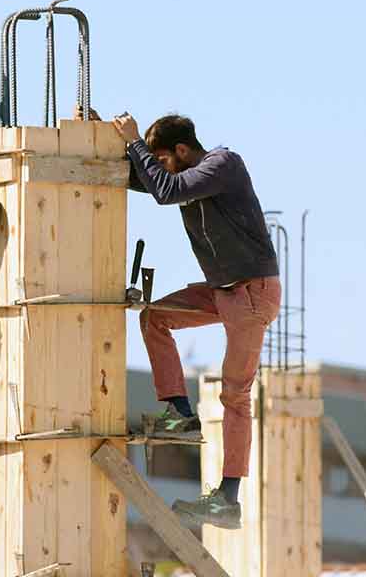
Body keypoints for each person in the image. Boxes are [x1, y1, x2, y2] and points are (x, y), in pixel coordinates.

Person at [113, 112, 280, 530]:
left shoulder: (223, 165)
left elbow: (166, 189)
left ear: (183, 151)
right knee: (155, 317)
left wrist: (135, 142)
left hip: (252, 293)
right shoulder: (184, 176)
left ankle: (228, 498)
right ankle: (180, 410)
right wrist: (104, 139)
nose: (162, 168)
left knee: (234, 395)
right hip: (223, 290)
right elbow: (150, 181)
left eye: (165, 159)